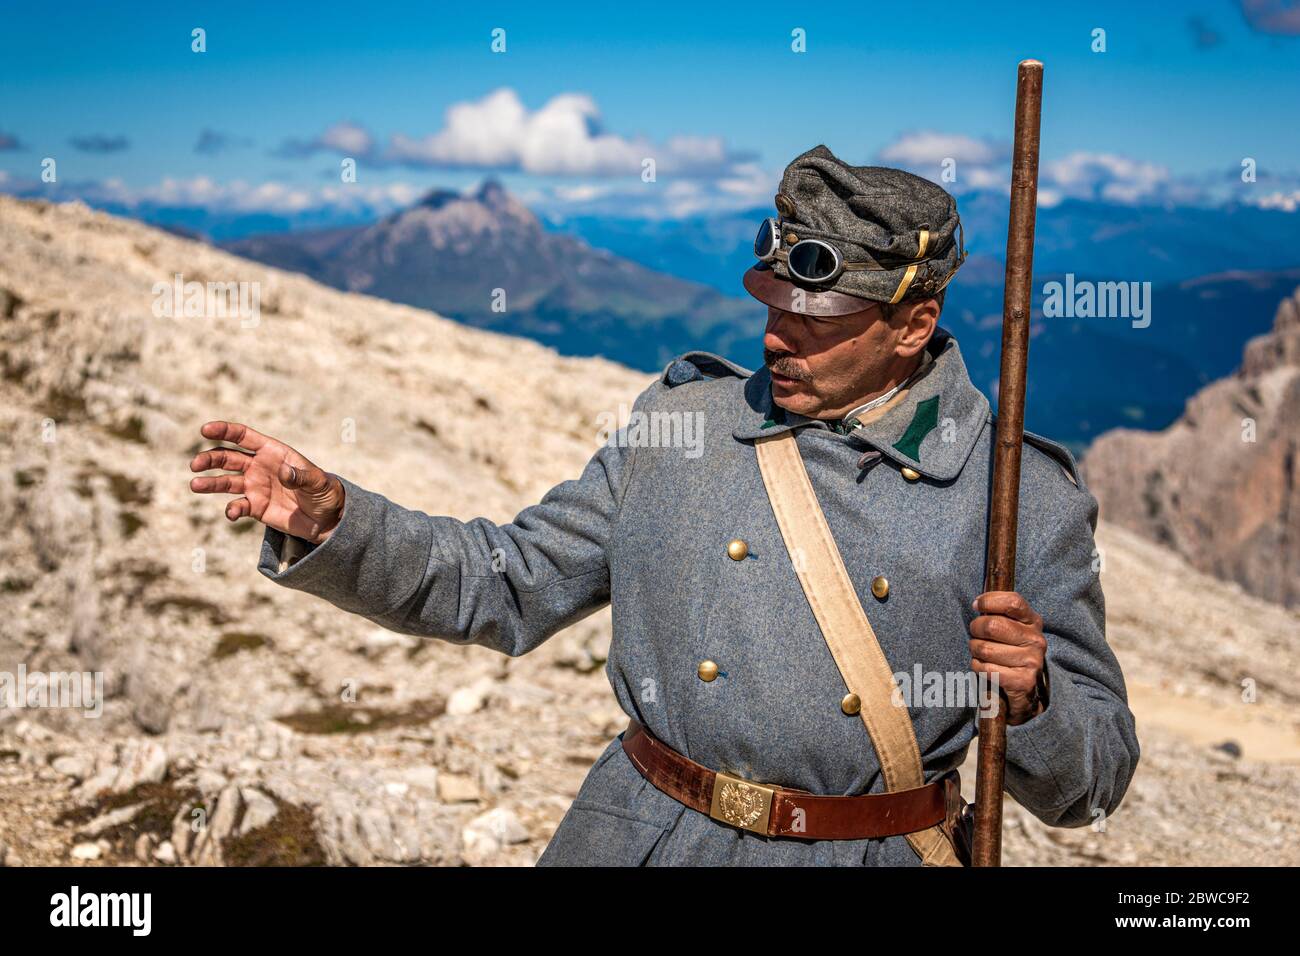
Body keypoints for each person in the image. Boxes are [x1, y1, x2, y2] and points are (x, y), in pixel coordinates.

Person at [189, 144, 1139, 866]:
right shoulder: (679, 424)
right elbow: (507, 585)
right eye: (772, 305)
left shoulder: (1016, 495)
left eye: (817, 322)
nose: (777, 339)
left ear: (913, 326)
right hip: (636, 835)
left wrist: (1035, 696)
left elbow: (1092, 785)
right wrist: (335, 521)